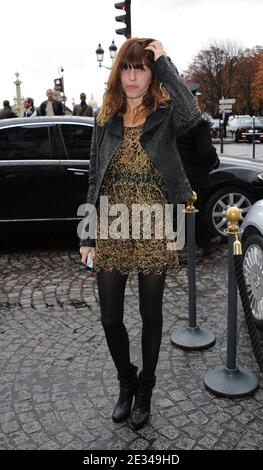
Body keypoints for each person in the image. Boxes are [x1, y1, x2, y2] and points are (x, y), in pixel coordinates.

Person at [79, 38, 201, 430]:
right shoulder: (106, 118)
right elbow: (94, 177)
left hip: (154, 225)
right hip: (113, 226)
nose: (133, 77)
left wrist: (164, 60)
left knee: (151, 315)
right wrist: (87, 235)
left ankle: (146, 387)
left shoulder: (165, 114)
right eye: (127, 68)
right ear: (119, 72)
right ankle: (126, 380)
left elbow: (192, 113)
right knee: (111, 317)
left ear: (151, 73)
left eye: (142, 68)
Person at [177, 115, 221, 260]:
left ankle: (204, 243)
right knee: (193, 210)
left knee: (188, 211)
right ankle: (196, 246)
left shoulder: (166, 120)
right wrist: (214, 162)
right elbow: (206, 152)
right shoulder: (198, 123)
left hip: (173, 174)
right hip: (193, 176)